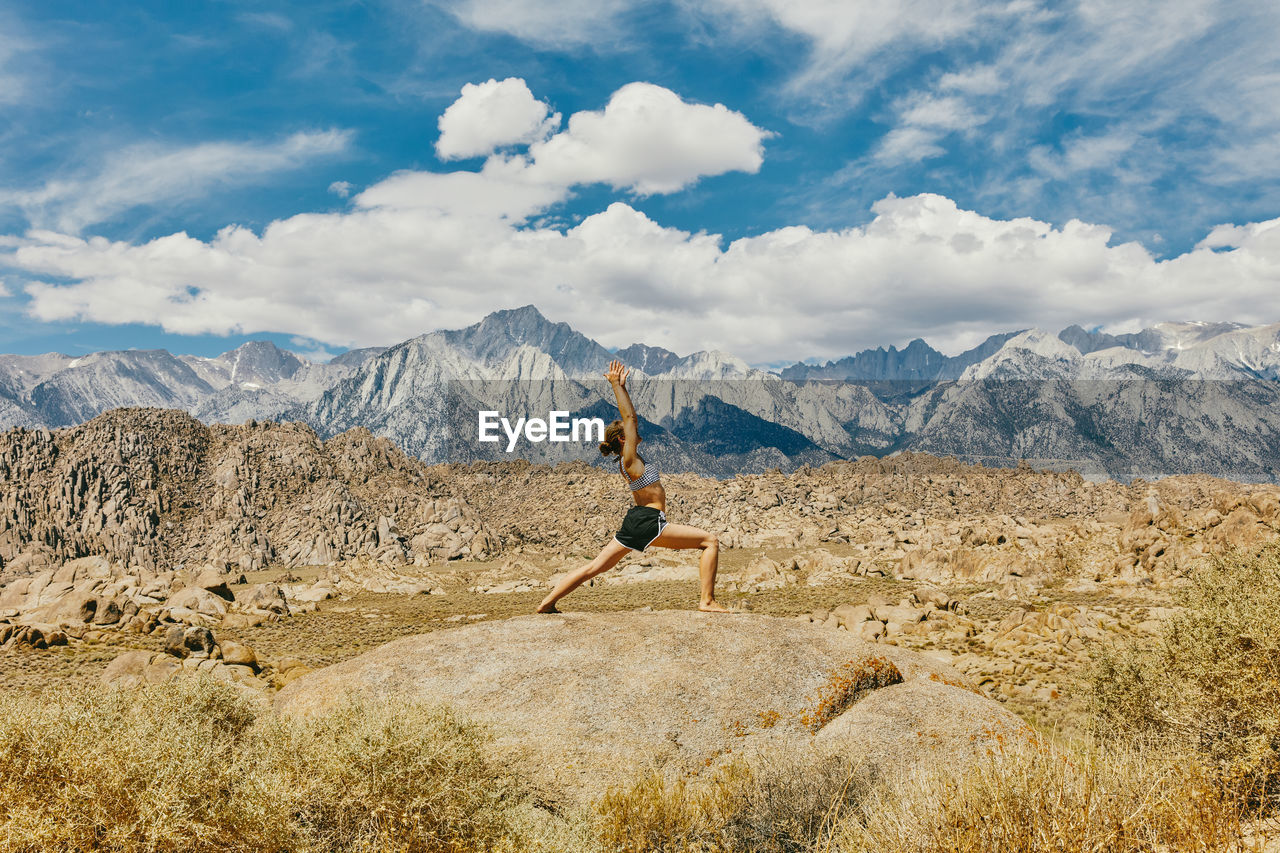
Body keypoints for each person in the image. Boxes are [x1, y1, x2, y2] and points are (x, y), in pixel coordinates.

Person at [537, 359, 730, 614]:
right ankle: (706, 601)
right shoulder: (630, 460)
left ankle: (547, 603)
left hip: (637, 522)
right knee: (710, 541)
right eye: (631, 430)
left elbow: (630, 420)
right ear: (622, 439)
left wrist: (623, 388)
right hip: (649, 521)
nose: (636, 429)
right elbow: (629, 416)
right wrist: (617, 385)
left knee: (595, 567)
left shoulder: (630, 461)